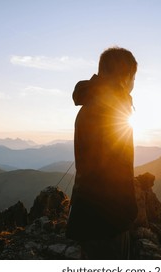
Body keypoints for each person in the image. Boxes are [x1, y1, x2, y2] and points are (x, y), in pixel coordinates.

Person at [66, 47, 138, 259]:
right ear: (126, 77)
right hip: (108, 221)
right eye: (133, 78)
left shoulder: (92, 104)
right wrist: (127, 213)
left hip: (88, 215)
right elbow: (115, 170)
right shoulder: (111, 108)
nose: (133, 85)